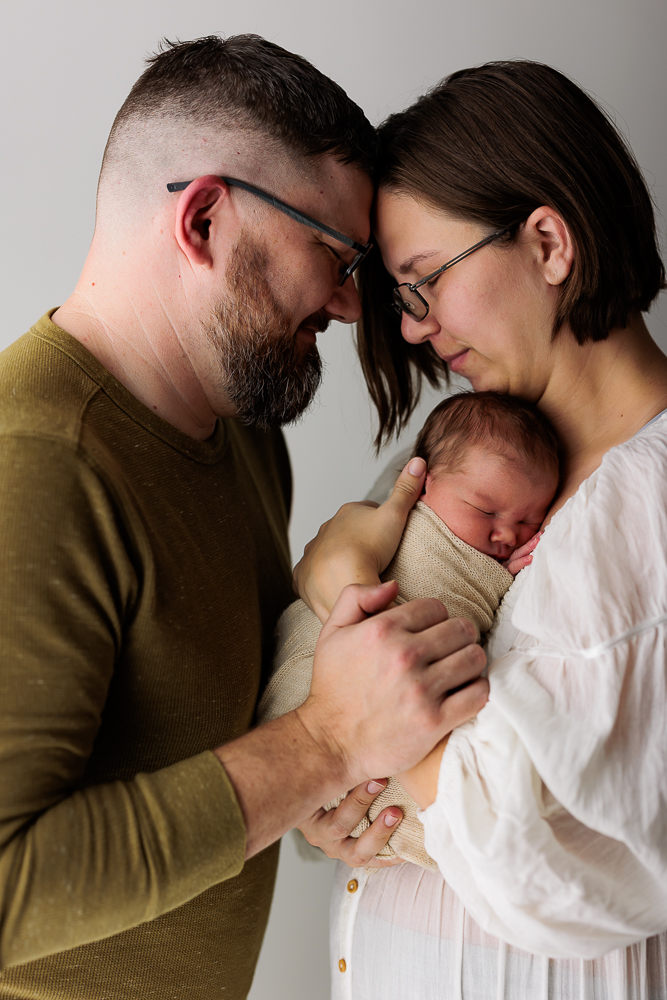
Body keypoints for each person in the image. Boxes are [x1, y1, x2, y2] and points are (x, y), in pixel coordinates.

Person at [0, 36, 490, 1000]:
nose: (350, 306)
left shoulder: (244, 437)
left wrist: (317, 789)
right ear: (203, 220)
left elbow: (214, 744)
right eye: (334, 256)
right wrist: (323, 744)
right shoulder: (39, 464)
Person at [294, 60, 667, 998]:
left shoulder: (647, 503)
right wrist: (323, 790)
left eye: (423, 282)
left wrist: (352, 688)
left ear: (546, 242)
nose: (411, 329)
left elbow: (566, 868)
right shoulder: (467, 466)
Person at [260, 391, 559, 868]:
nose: (507, 534)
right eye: (486, 512)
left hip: (368, 753)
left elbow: (479, 597)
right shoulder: (398, 521)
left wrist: (500, 575)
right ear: (422, 485)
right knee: (464, 833)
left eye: (528, 521)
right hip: (310, 697)